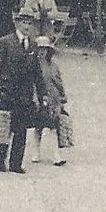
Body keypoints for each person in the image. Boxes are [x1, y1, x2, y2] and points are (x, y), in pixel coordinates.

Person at [0, 8, 47, 174]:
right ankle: (1, 161)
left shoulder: (33, 46)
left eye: (29, 23)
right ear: (17, 23)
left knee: (21, 131)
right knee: (5, 129)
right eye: (24, 22)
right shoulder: (5, 43)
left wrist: (43, 95)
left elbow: (37, 74)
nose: (27, 26)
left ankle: (15, 164)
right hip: (6, 93)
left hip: (24, 96)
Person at [31, 36, 72, 166]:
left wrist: (62, 97)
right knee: (38, 126)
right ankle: (36, 152)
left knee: (53, 127)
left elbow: (59, 83)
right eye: (40, 49)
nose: (43, 52)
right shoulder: (33, 64)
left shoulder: (53, 66)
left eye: (45, 49)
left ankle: (56, 155)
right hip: (38, 98)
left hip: (53, 100)